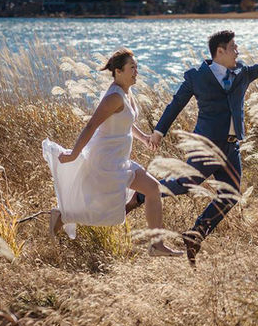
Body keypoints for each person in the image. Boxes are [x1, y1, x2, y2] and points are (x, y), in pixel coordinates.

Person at [131, 30, 258, 265]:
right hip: (206, 145)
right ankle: (142, 194)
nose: (237, 51)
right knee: (185, 186)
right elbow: (176, 104)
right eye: (234, 47)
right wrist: (158, 132)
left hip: (232, 148)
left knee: (230, 195)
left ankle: (196, 234)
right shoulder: (196, 76)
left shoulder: (243, 73)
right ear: (220, 51)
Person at [42, 48, 182, 256]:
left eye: (137, 67)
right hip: (105, 161)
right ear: (118, 71)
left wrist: (143, 137)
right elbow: (91, 126)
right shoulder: (113, 98)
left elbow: (126, 121)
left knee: (152, 189)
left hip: (118, 160)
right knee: (102, 212)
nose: (136, 72)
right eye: (132, 68)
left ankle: (157, 245)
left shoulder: (126, 92)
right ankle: (62, 216)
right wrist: (72, 155)